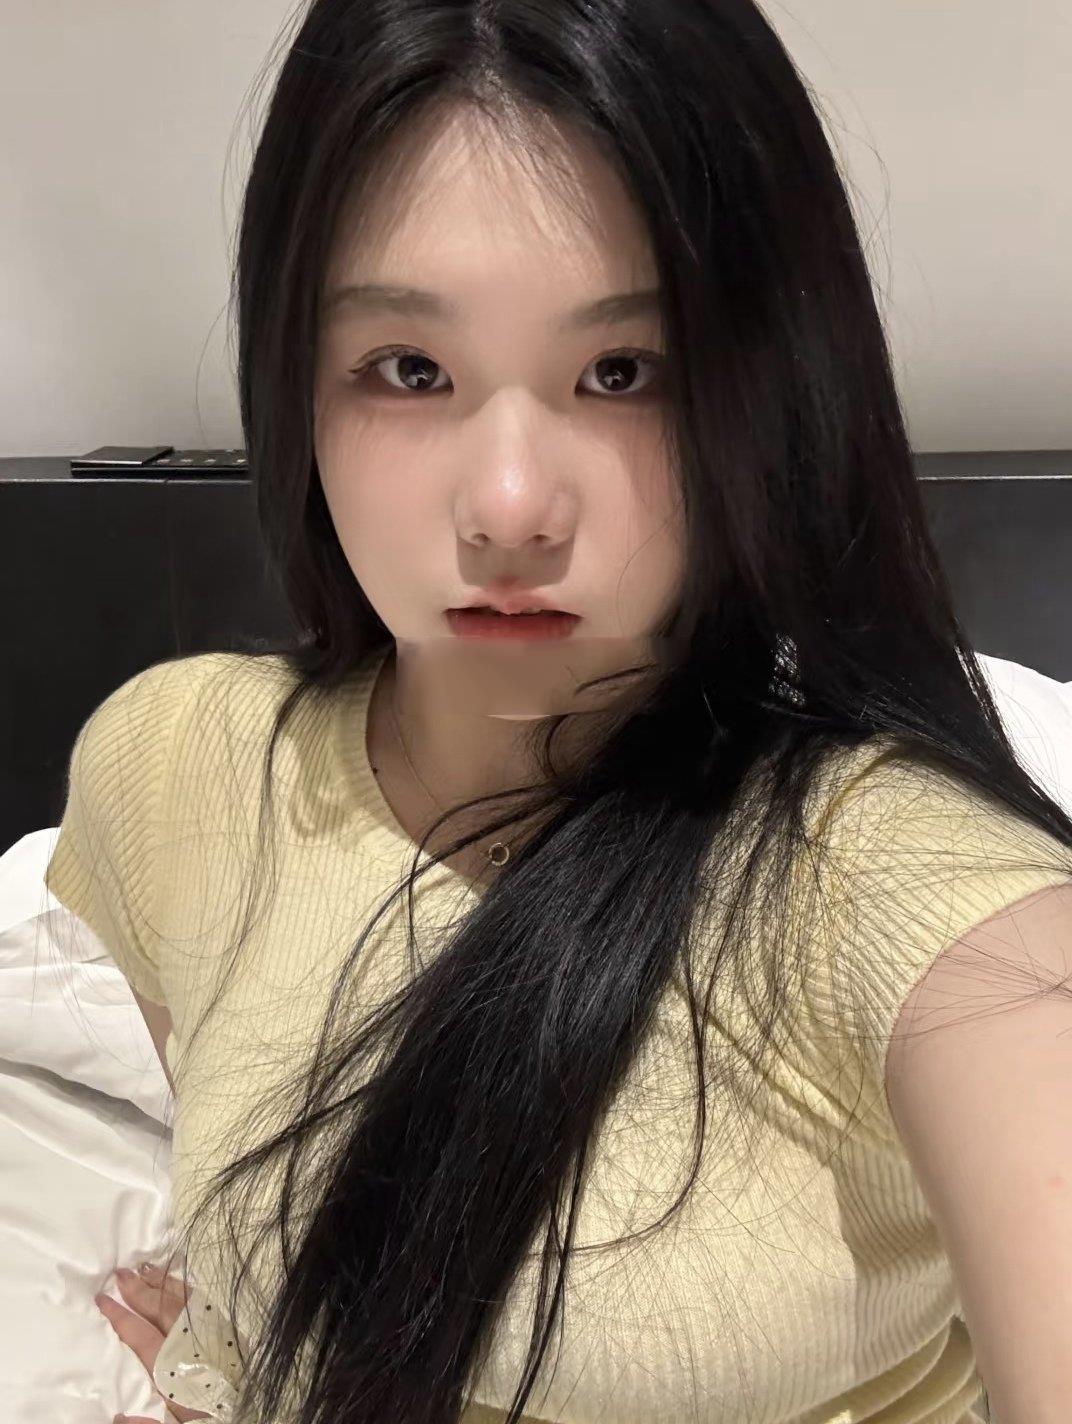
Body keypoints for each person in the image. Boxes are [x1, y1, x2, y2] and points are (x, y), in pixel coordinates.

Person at [45, 0, 1072, 1421]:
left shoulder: (919, 901)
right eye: (411, 370)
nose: (512, 508)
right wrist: (250, 1344)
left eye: (624, 372)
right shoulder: (176, 764)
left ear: (775, 392)